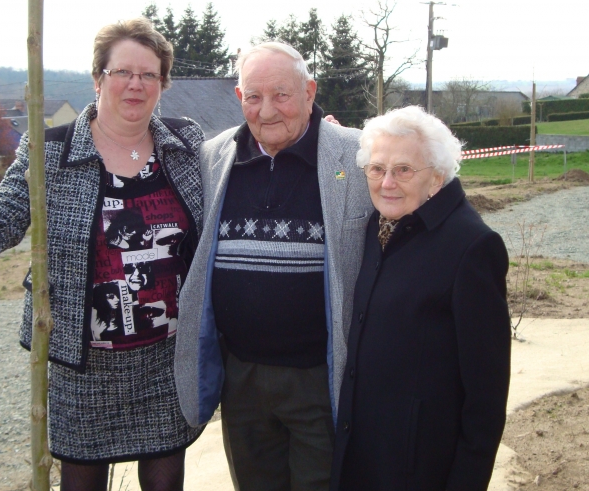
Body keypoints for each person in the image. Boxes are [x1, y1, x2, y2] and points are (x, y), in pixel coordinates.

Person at [0, 18, 204, 491]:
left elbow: (238, 175)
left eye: (149, 74)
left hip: (166, 357)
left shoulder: (186, 143)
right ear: (98, 78)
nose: (136, 84)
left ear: (163, 83)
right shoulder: (48, 152)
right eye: (123, 72)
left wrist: (318, 130)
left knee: (166, 482)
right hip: (83, 364)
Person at [174, 41, 373, 491]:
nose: (267, 111)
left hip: (320, 377)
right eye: (254, 97)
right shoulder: (212, 157)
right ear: (239, 98)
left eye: (281, 95)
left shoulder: (357, 156)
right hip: (241, 378)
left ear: (309, 91)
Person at [330, 106, 511, 491]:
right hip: (362, 453)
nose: (387, 182)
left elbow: (486, 396)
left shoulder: (472, 247)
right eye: (377, 169)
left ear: (437, 178)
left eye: (404, 170)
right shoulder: (380, 227)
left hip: (420, 467)